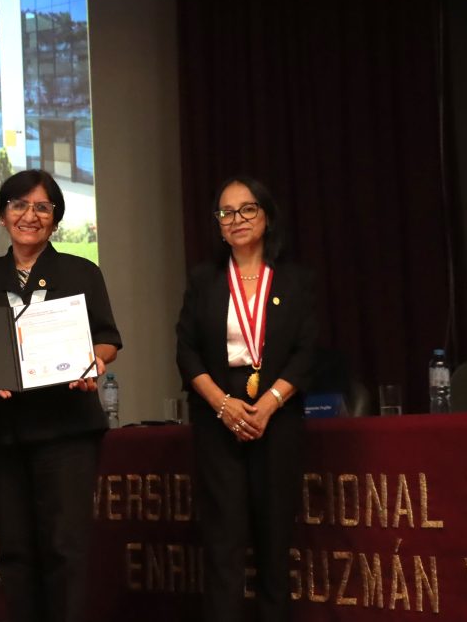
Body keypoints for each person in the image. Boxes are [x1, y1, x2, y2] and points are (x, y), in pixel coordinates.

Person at [0, 169, 122, 622]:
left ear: (55, 219)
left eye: (43, 207)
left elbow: (107, 339)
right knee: (14, 547)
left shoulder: (81, 272)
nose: (30, 215)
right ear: (2, 216)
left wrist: (93, 362)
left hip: (65, 429)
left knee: (66, 546)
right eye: (19, 205)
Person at [176, 176, 317, 622]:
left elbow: (307, 351)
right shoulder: (204, 279)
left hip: (278, 414)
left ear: (267, 217)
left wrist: (271, 402)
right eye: (226, 212)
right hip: (218, 415)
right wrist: (222, 404)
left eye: (247, 209)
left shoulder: (295, 280)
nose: (236, 219)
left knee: (274, 542)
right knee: (223, 544)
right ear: (218, 225)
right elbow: (186, 351)